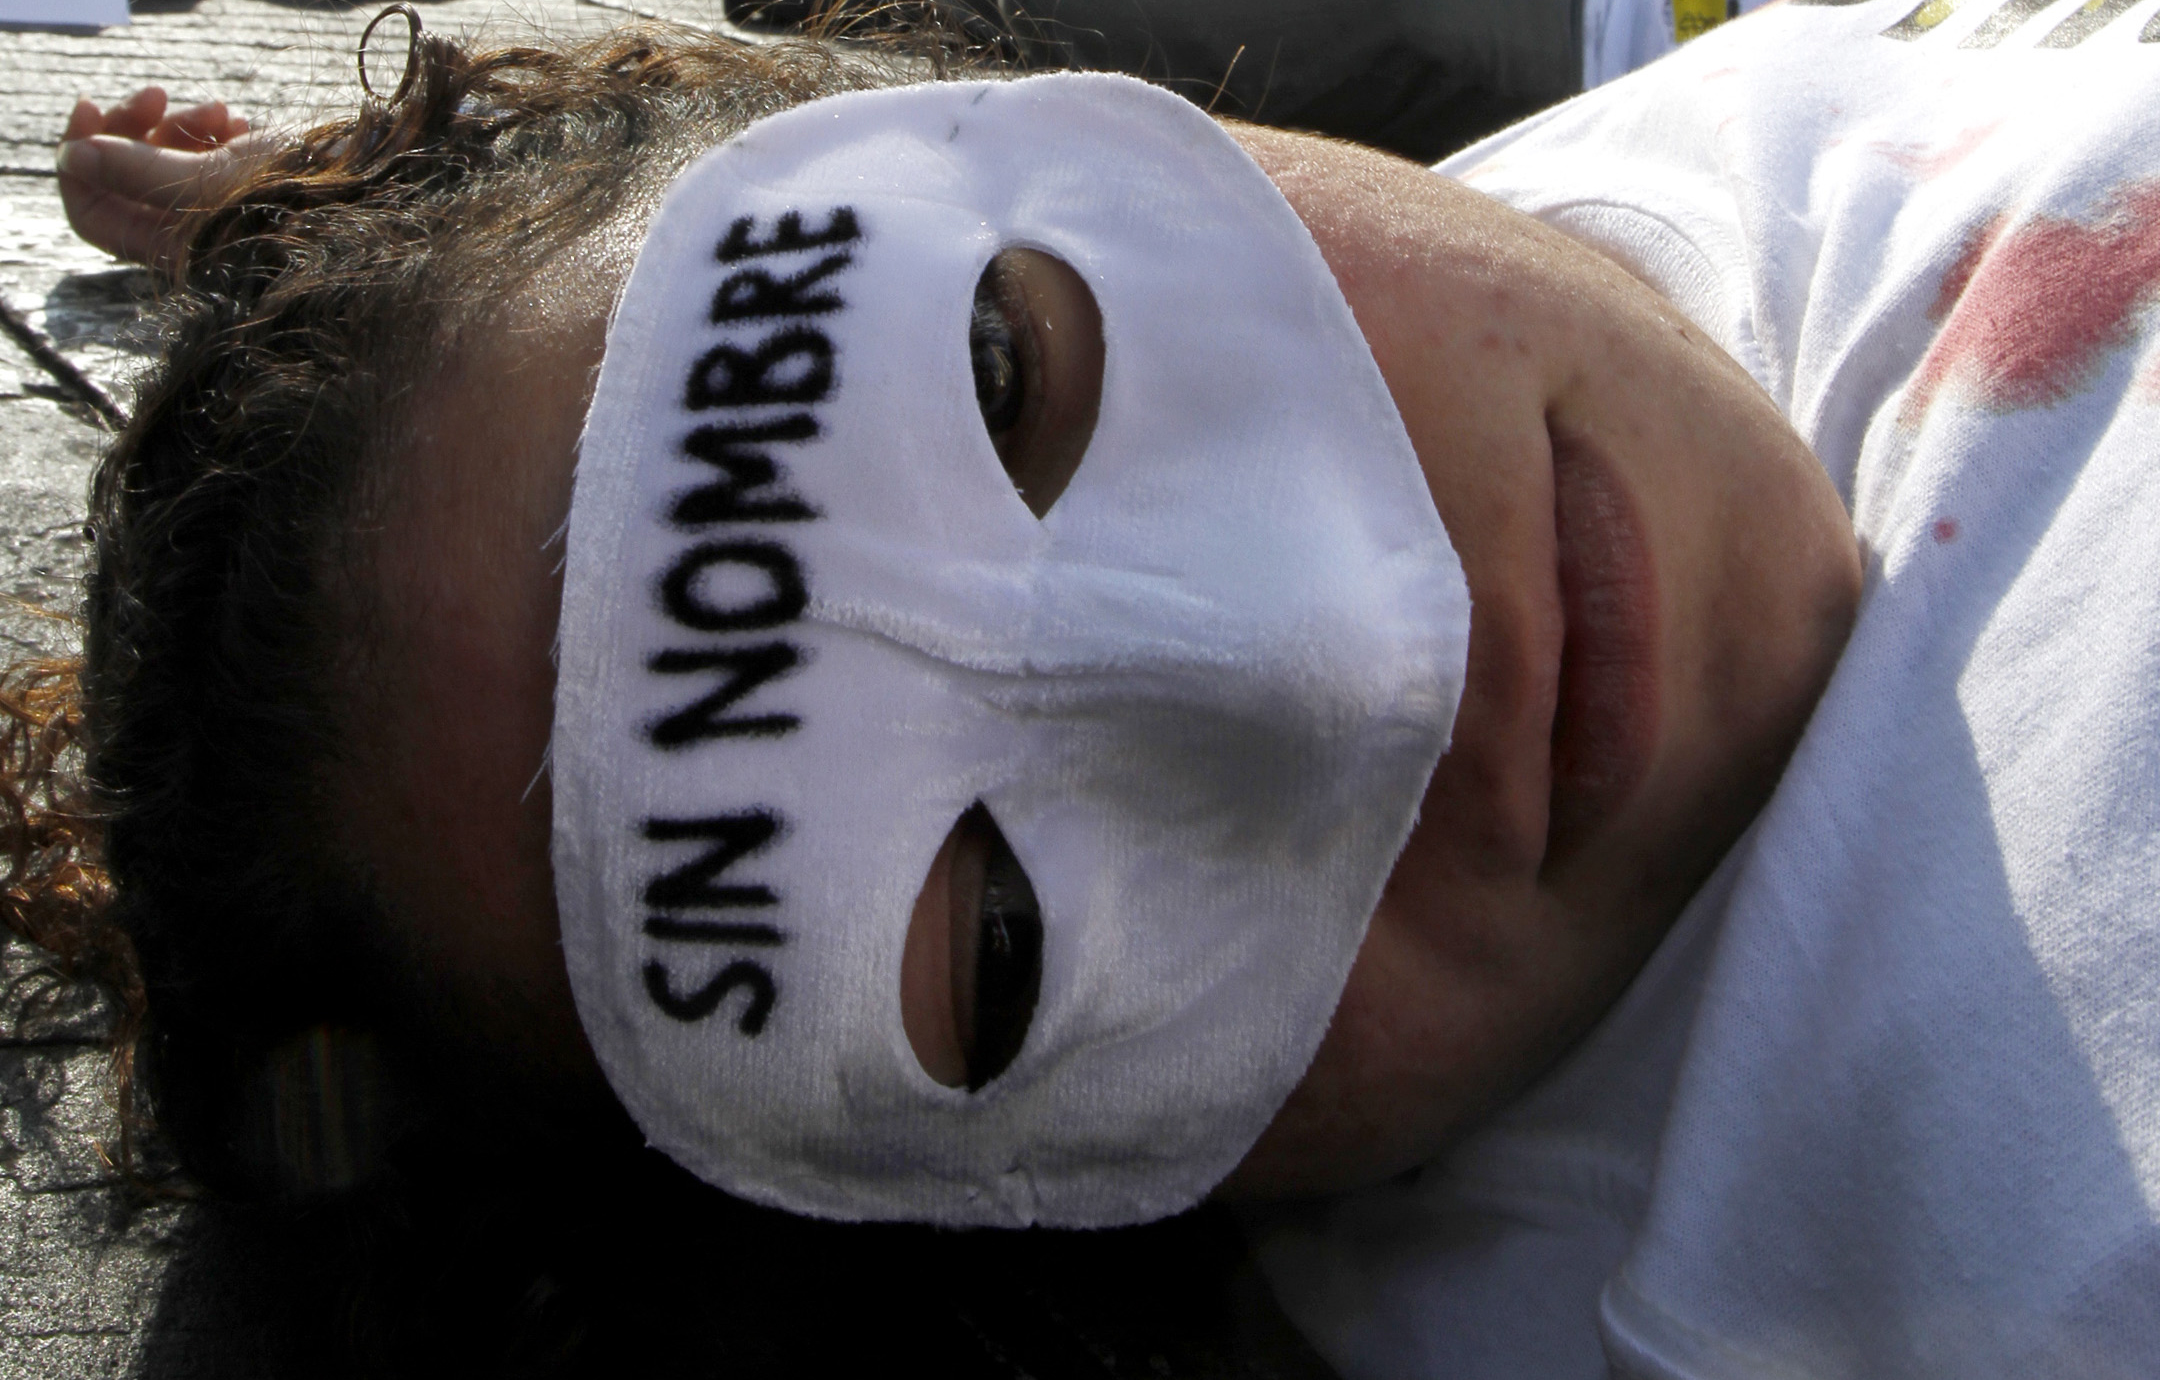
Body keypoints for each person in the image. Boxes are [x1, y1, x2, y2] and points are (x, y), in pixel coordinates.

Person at [25, 0, 2157, 1375]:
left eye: (993, 371)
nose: (1364, 662)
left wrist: (317, 239)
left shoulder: (1569, 230)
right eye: (1007, 947)